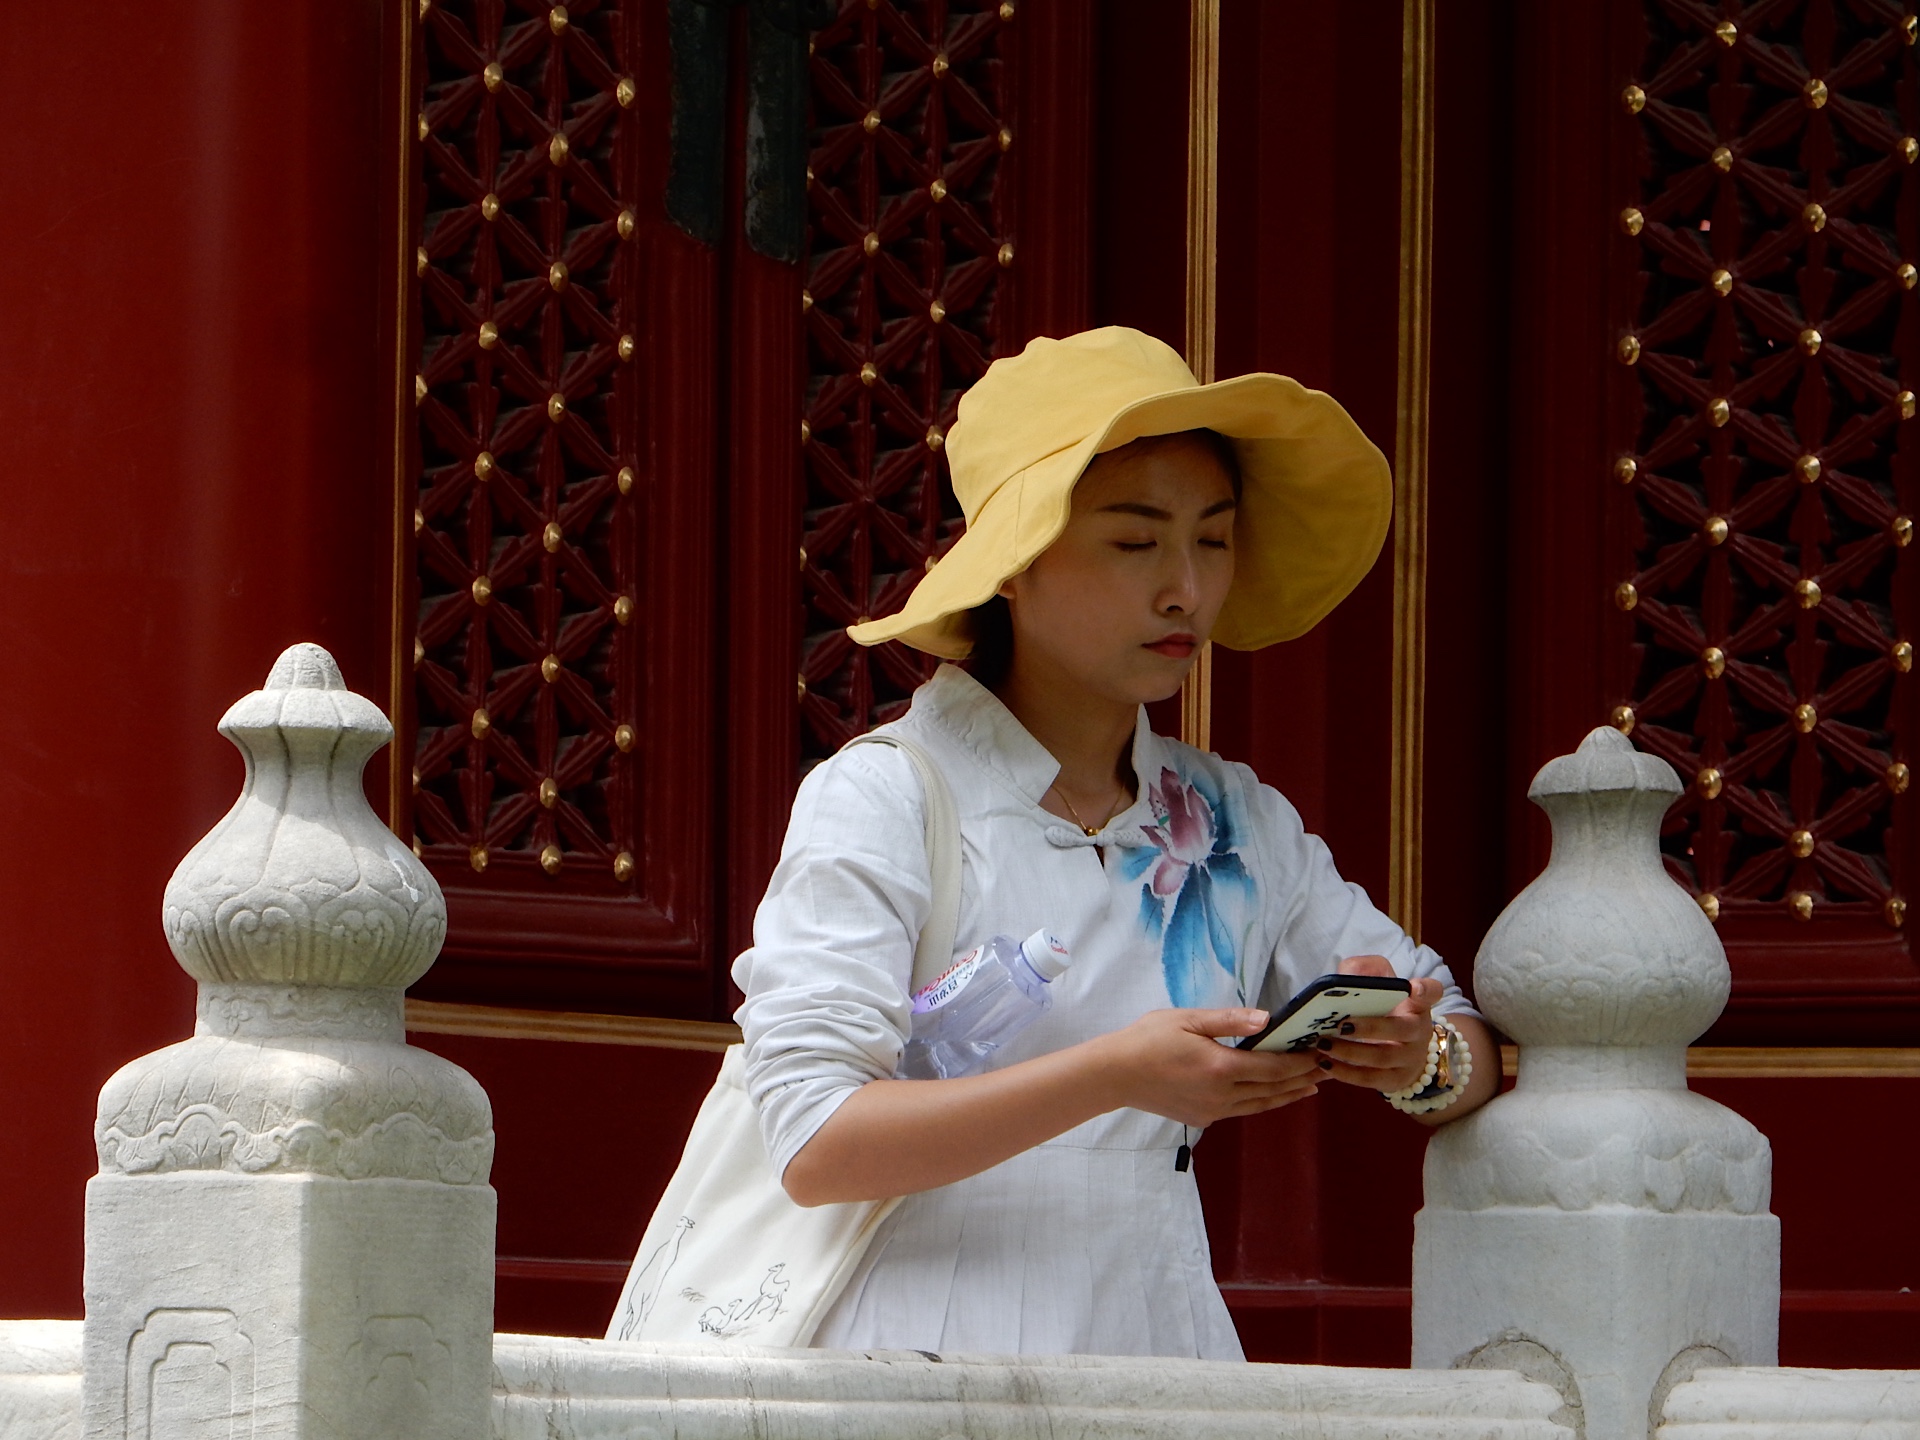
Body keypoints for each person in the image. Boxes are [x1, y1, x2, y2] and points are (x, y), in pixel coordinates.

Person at [733, 326, 1497, 1359]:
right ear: (1014, 563)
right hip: (917, 1343)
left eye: (1213, 540)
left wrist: (1412, 1055)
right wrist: (1113, 1077)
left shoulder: (1233, 822)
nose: (1185, 588)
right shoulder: (885, 796)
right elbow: (816, 1143)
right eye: (1136, 543)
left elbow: (1461, 1041)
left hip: (1157, 1335)